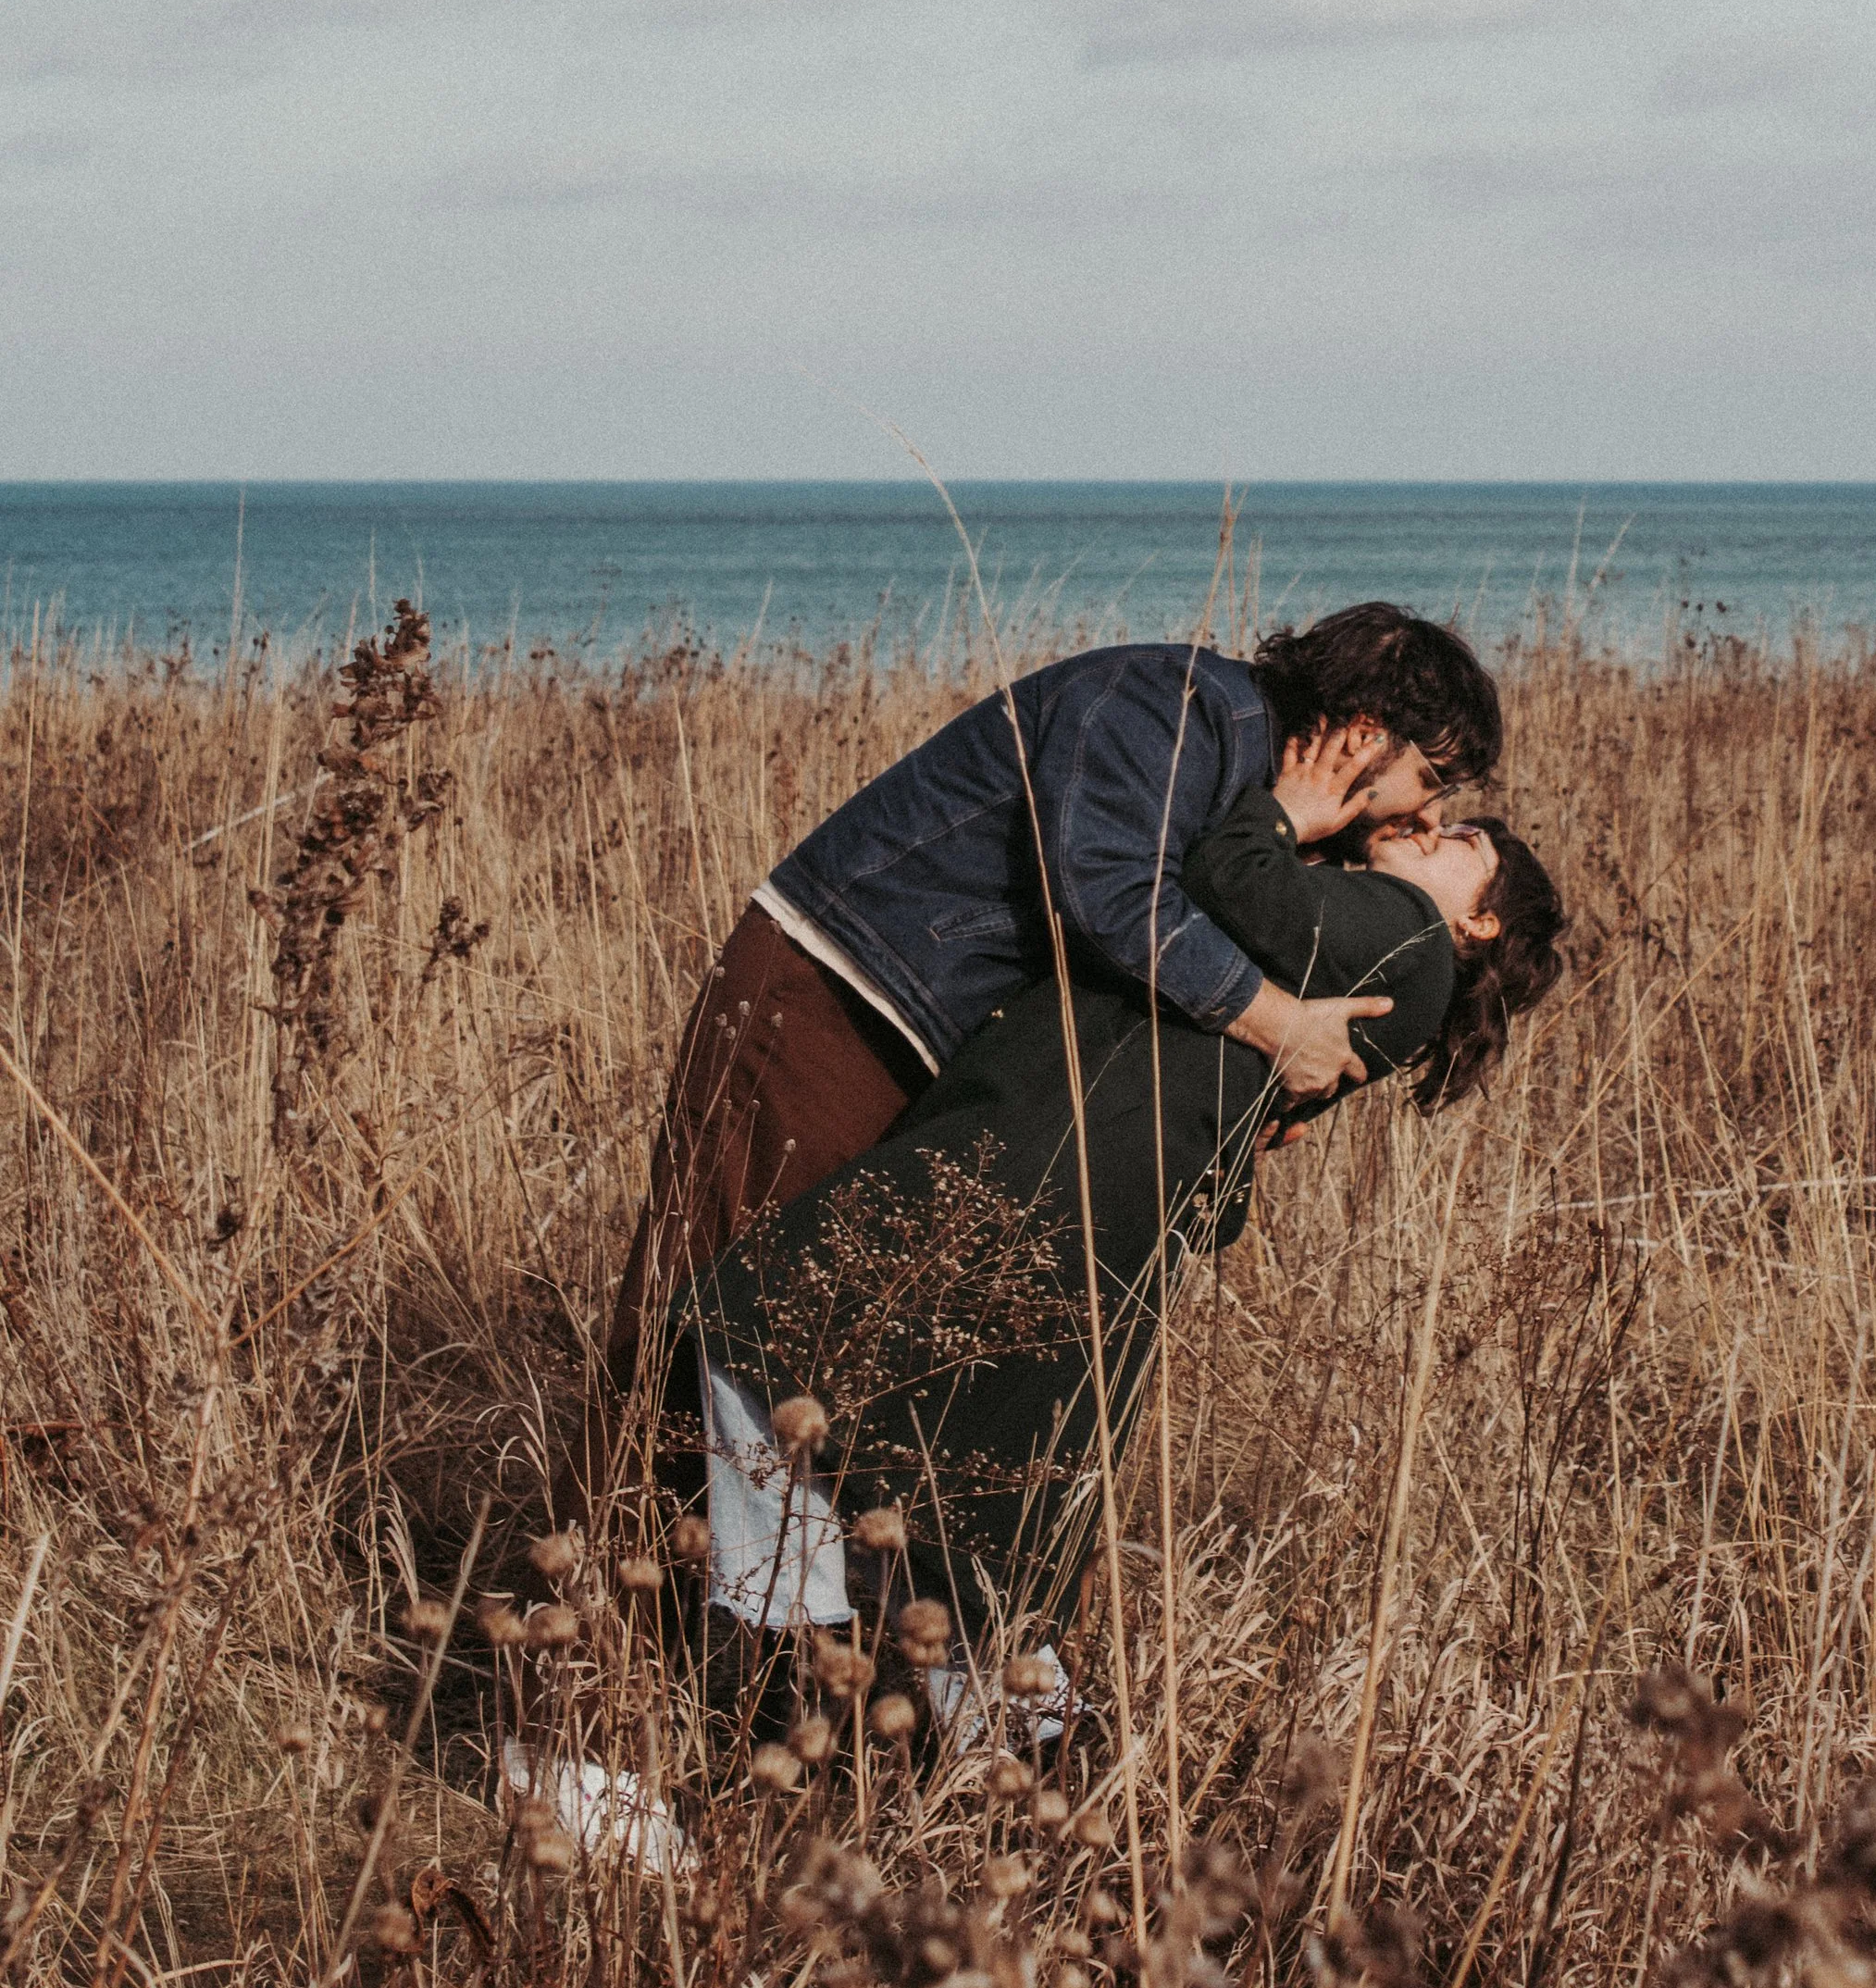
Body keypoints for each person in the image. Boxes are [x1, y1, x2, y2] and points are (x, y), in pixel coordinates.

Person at [677, 726, 1566, 1703]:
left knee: (762, 1322)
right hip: (1083, 1195)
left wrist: (1285, 809)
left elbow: (1227, 880)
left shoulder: (1400, 929)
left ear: (1477, 924)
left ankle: (795, 1672)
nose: (1429, 823)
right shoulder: (1375, 951)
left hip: (1043, 1167)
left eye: (1459, 842)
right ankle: (991, 1742)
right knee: (968, 1486)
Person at [604, 604, 1504, 1396]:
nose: (1422, 818)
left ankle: (725, 1585)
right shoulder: (1172, 707)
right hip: (841, 993)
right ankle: (599, 1580)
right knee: (700, 1334)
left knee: (802, 1353)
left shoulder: (1249, 786)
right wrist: (1272, 1023)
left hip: (922, 1033)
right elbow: (1111, 890)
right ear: (1364, 731)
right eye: (1430, 781)